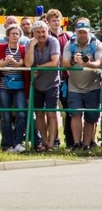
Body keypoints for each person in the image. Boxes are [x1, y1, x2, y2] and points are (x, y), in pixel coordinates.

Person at [64, 19, 102, 151]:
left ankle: (87, 144)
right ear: (76, 32)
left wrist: (88, 64)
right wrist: (73, 60)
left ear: (89, 32)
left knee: (91, 117)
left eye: (85, 32)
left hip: (92, 86)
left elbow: (99, 63)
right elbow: (64, 63)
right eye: (80, 32)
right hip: (74, 86)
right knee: (75, 115)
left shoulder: (96, 44)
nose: (82, 35)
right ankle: (76, 143)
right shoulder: (69, 44)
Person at [24, 21, 60, 152]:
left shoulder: (53, 42)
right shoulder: (30, 43)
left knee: (51, 114)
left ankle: (51, 144)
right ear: (33, 33)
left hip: (52, 84)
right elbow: (28, 63)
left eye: (43, 32)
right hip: (37, 85)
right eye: (38, 32)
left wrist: (38, 67)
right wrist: (32, 45)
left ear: (48, 31)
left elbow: (55, 62)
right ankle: (44, 142)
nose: (41, 35)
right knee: (39, 114)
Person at [0, 26, 29, 152]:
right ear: (8, 36)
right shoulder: (1, 48)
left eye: (17, 34)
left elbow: (23, 64)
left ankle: (18, 142)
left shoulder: (23, 49)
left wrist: (17, 63)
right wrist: (5, 62)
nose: (15, 36)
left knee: (22, 113)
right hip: (4, 86)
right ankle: (8, 144)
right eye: (12, 34)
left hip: (19, 86)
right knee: (6, 115)